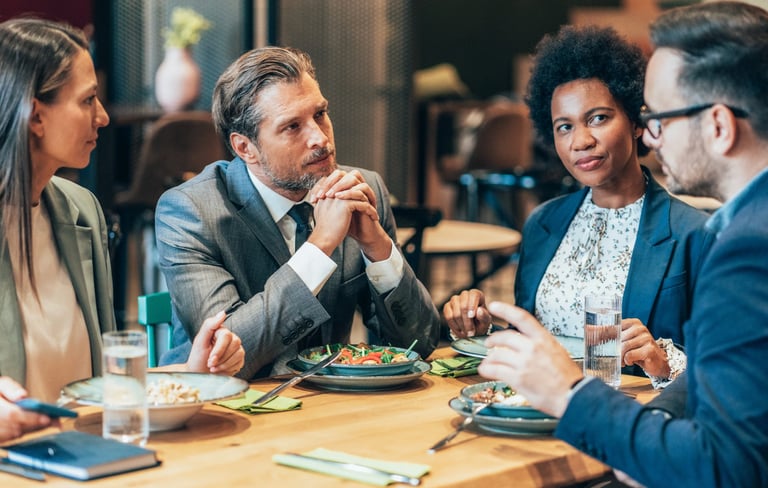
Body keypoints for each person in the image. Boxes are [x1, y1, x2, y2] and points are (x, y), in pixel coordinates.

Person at [478, 2, 768, 486]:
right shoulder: (547, 222)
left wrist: (576, 398)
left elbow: (722, 465)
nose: (653, 134)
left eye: (661, 117)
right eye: (564, 126)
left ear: (718, 125)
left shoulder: (742, 246)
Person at [0, 18, 244, 442]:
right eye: (88, 100)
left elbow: (93, 382)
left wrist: (190, 373)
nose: (104, 117)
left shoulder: (81, 211)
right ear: (36, 115)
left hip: (84, 454)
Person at [443, 25, 712, 387]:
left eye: (598, 118)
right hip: (535, 412)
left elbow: (731, 369)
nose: (580, 142)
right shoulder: (543, 223)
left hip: (631, 420)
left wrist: (663, 362)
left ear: (635, 121)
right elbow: (541, 339)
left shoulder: (692, 232)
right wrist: (482, 328)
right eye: (564, 127)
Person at [155, 46, 441, 379]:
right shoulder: (191, 210)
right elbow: (226, 358)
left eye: (320, 114)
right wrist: (320, 246)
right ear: (245, 148)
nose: (320, 138)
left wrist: (377, 248)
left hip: (326, 408)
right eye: (292, 127)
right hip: (217, 411)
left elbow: (419, 343)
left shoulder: (360, 191)